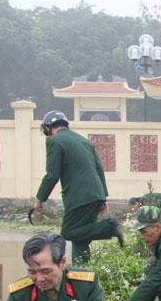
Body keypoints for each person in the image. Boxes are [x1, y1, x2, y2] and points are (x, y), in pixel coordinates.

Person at [33, 110, 124, 264]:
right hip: (96, 193)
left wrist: (40, 198)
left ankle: (109, 228)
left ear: (48, 128)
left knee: (69, 232)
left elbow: (52, 175)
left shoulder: (54, 141)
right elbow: (99, 169)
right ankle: (81, 270)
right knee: (81, 237)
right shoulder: (84, 141)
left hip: (78, 197)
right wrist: (103, 197)